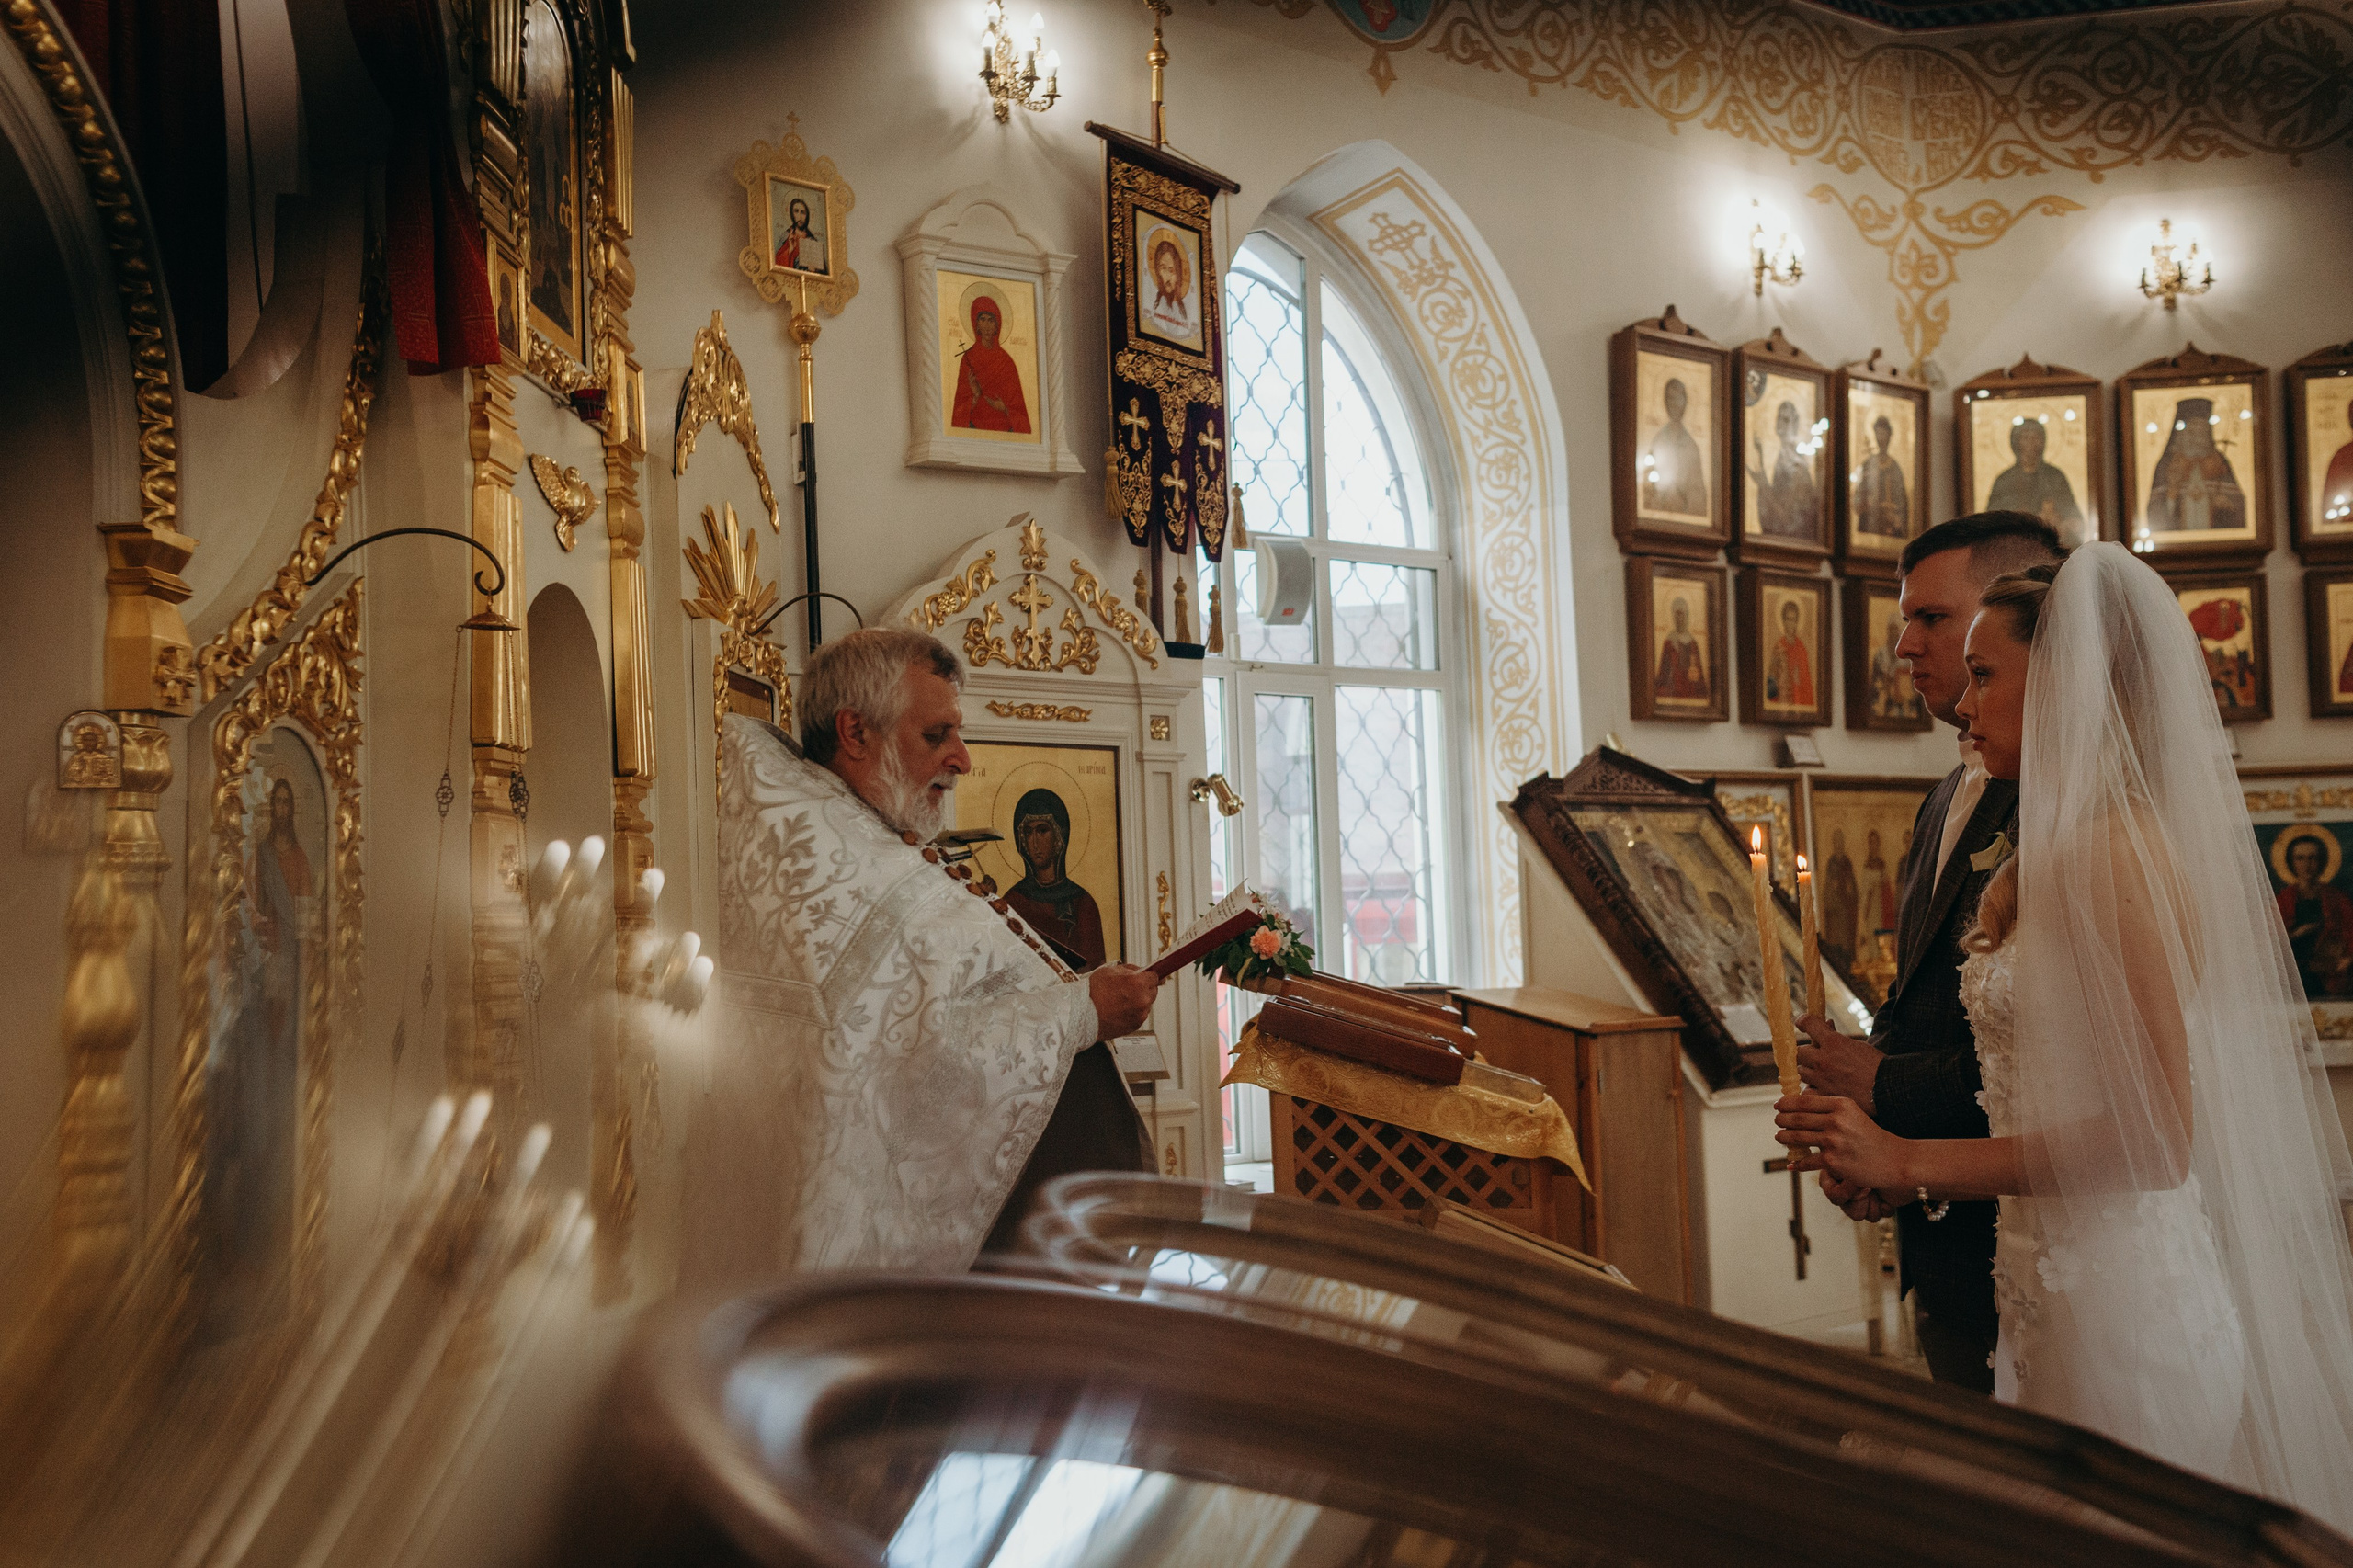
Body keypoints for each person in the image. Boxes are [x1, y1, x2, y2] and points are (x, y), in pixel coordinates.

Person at [1777, 545, 2353, 1527]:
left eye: (1988, 672)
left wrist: (1909, 1154)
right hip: (2047, 1286)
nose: (1964, 703)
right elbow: (2036, 1087)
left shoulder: (2109, 855)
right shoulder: (2060, 851)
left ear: (2070, 680)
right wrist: (1894, 1166)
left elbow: (2156, 1141)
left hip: (2125, 1312)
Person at [696, 629, 1160, 1276]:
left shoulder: (865, 836)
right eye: (937, 735)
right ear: (856, 734)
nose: (963, 759)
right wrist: (1081, 1013)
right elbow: (911, 1055)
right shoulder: (844, 862)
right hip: (989, 1270)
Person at [1790, 510, 2064, 1391]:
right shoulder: (1948, 791)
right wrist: (1880, 1152)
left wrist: (1881, 1091)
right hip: (1954, 1238)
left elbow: (2084, 1069)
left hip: (2061, 1247)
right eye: (1902, 618)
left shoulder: (2079, 817)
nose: (1904, 645)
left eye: (1932, 620)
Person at [1005, 787, 1106, 970]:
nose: (1034, 842)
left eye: (1042, 831)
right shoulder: (1013, 901)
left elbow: (1094, 971)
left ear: (1059, 835)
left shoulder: (1082, 903)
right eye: (1028, 832)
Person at [2145, 397, 2245, 533]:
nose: (2198, 439)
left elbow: (2239, 505)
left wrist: (2226, 504)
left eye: (2202, 432)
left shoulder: (2220, 463)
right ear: (2181, 434)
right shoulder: (2168, 464)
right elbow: (2155, 510)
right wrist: (2171, 497)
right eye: (2192, 432)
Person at [2277, 829, 2353, 998]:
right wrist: (2296, 934)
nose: (2307, 864)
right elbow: (2268, 939)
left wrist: (2348, 958)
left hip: (2331, 972)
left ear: (2322, 861)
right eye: (2300, 858)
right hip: (2295, 972)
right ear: (2292, 862)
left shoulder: (2338, 898)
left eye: (2313, 858)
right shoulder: (2283, 900)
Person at [1984, 416, 2082, 536]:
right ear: (2016, 442)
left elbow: (2074, 518)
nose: (2031, 443)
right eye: (2026, 438)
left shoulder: (2055, 477)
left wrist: (2060, 522)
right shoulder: (2004, 480)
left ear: (2043, 442)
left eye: (2036, 438)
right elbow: (1991, 522)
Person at [949, 297, 1031, 434]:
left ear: (997, 325)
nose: (987, 326)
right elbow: (959, 411)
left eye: (991, 320)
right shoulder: (968, 359)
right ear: (977, 325)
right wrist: (975, 396)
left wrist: (1004, 408)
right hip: (974, 429)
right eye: (982, 320)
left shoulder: (1006, 361)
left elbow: (1019, 410)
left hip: (1006, 432)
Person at [1749, 398, 1817, 537]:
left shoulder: (1798, 467)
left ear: (1795, 425)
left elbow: (1786, 517)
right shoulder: (1778, 457)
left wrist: (1763, 485)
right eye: (1779, 418)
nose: (1780, 423)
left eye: (1786, 420)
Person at [1643, 378, 1708, 516]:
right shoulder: (1658, 441)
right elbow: (1648, 485)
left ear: (1685, 402)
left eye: (1679, 399)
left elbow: (1698, 492)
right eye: (1671, 399)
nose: (1675, 404)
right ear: (1665, 402)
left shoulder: (1691, 446)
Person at [1851, 414, 1910, 538]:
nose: (1882, 438)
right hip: (1870, 522)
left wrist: (1897, 517)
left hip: (1891, 525)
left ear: (1889, 436)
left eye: (1884, 434)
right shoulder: (1867, 465)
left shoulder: (1895, 468)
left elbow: (1902, 502)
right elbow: (1858, 499)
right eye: (1879, 434)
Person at [1653, 595, 1709, 700]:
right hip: (1673, 691)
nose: (1679, 619)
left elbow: (1700, 678)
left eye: (1682, 614)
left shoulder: (1693, 643)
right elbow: (1663, 674)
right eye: (1676, 615)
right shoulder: (1669, 642)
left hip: (1691, 690)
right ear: (1673, 616)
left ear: (1687, 615)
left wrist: (1696, 676)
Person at [1142, 233, 1197, 342]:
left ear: (1178, 275)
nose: (1167, 277)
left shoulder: (1185, 311)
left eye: (1171, 270)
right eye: (1163, 268)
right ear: (1158, 272)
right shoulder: (1153, 305)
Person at [1822, 828, 1859, 971]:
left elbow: (1852, 886)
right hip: (1834, 909)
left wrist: (1849, 889)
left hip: (1846, 908)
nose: (1839, 844)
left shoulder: (1847, 862)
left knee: (1846, 944)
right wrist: (1833, 886)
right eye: (1836, 842)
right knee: (1836, 942)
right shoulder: (1831, 862)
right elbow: (1827, 887)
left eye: (1840, 841)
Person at [1764, 599, 1813, 707]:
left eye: (1794, 620)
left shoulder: (1801, 649)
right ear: (1783, 621)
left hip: (1799, 699)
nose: (1791, 623)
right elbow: (1771, 679)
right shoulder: (1778, 647)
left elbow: (1807, 684)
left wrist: (1798, 679)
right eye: (1788, 619)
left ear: (1797, 622)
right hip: (1782, 700)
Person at [774, 196, 824, 274]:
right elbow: (776, 264)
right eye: (796, 211)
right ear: (792, 213)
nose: (800, 217)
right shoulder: (786, 236)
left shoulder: (812, 241)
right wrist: (790, 249)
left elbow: (822, 273)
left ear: (807, 216)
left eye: (803, 213)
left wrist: (814, 271)